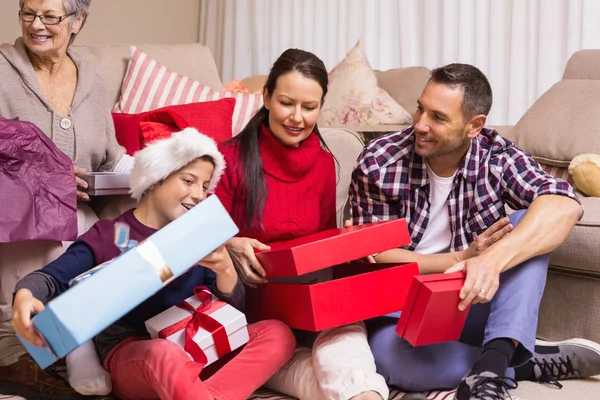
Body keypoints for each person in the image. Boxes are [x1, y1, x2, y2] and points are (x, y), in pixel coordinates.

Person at [350, 63, 600, 399]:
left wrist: (491, 261)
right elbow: (374, 255)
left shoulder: (496, 156)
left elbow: (564, 203)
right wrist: (464, 258)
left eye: (438, 117)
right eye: (421, 108)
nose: (420, 124)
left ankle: (490, 367)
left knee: (527, 223)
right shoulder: (379, 162)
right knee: (395, 364)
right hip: (401, 303)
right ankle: (511, 361)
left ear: (474, 126)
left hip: (471, 295)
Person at [12, 128, 297, 400]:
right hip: (137, 355)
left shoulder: (200, 235)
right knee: (164, 354)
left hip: (201, 344)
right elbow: (51, 279)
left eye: (205, 185)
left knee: (278, 334)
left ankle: (200, 393)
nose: (199, 194)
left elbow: (232, 315)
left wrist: (225, 270)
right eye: (188, 181)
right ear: (156, 177)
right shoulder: (110, 234)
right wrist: (25, 295)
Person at [214, 48, 387, 400]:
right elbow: (194, 241)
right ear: (265, 97)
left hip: (309, 308)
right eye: (286, 103)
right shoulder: (227, 159)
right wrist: (231, 243)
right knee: (328, 374)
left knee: (345, 334)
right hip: (253, 317)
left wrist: (353, 250)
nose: (297, 118)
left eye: (309, 108)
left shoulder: (324, 163)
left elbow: (321, 246)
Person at [0, 0, 134, 396]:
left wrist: (150, 176)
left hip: (78, 212)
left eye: (50, 16)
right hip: (15, 212)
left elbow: (112, 157)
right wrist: (41, 180)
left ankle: (115, 343)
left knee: (113, 234)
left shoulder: (91, 80)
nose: (36, 25)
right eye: (27, 13)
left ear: (77, 22)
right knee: (53, 237)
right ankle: (77, 351)